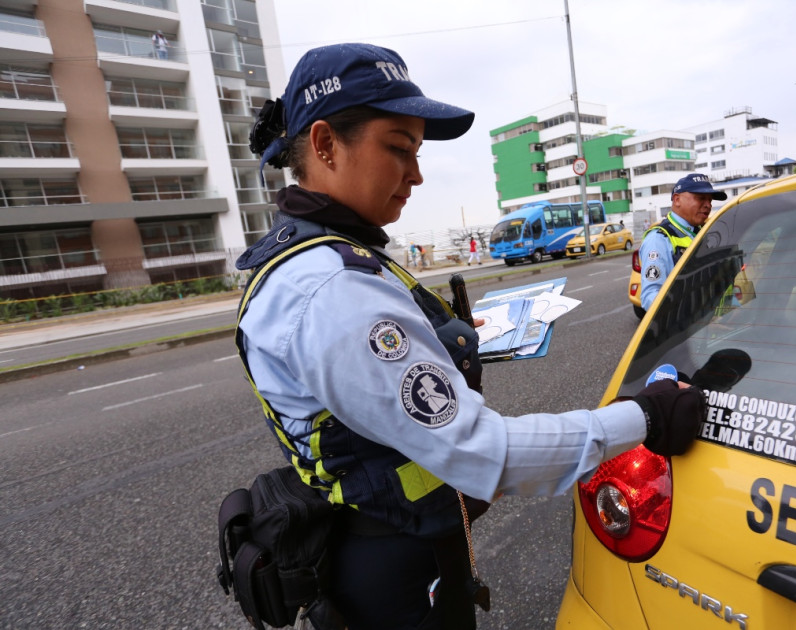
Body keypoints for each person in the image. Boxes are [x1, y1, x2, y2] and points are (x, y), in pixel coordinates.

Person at [237, 42, 705, 630]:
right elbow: (487, 454)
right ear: (326, 144)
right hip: (391, 572)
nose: (417, 173)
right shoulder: (333, 286)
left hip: (379, 546)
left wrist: (444, 341)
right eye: (398, 149)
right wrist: (647, 417)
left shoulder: (316, 255)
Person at [638, 173, 727, 312]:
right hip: (689, 331)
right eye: (701, 198)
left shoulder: (704, 233)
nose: (708, 205)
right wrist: (690, 321)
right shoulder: (659, 239)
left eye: (710, 200)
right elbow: (651, 296)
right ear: (677, 199)